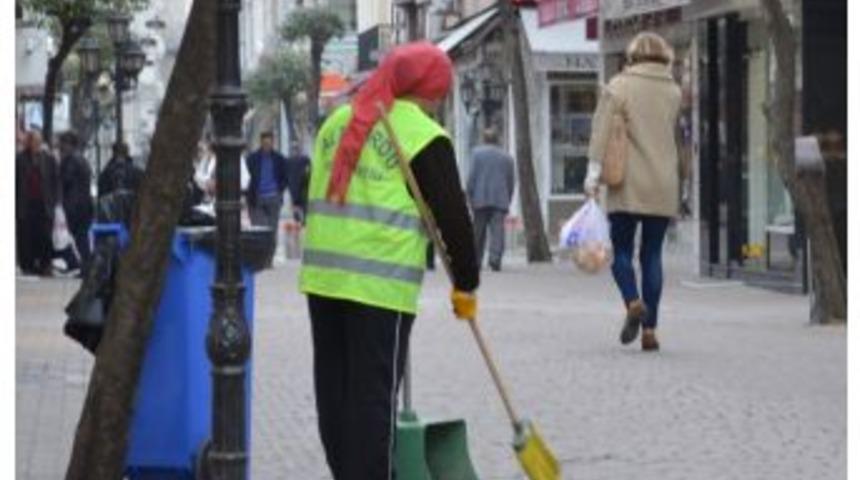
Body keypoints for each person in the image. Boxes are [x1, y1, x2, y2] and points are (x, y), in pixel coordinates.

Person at [299, 41, 479, 480]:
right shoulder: (420, 134)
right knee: (373, 397)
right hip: (379, 284)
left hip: (324, 281)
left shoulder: (338, 121)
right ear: (432, 90)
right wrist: (466, 282)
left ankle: (347, 473)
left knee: (336, 391)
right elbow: (452, 217)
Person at [584, 32, 685, 352]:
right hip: (663, 183)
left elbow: (601, 131)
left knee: (622, 252)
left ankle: (632, 302)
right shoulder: (674, 92)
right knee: (652, 255)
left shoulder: (619, 87)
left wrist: (592, 173)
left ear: (633, 56)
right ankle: (650, 331)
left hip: (626, 182)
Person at [466, 126, 516, 271]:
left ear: (484, 140)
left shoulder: (476, 154)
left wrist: (469, 196)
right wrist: (508, 198)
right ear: (497, 140)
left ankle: (476, 260)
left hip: (479, 199)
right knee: (498, 232)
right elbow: (510, 181)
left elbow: (472, 178)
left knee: (478, 233)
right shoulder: (507, 158)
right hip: (500, 200)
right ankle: (495, 259)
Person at [16, 130, 59, 276]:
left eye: (38, 141)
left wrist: (56, 202)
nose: (36, 144)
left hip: (44, 203)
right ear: (28, 142)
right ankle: (28, 265)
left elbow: (55, 181)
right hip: (26, 204)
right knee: (27, 236)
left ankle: (45, 264)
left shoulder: (49, 159)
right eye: (33, 141)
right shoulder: (20, 159)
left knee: (45, 236)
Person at [244, 131, 289, 265]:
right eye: (264, 143)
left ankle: (268, 259)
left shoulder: (279, 159)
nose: (267, 146)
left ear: (273, 142)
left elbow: (285, 177)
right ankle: (260, 259)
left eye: (269, 143)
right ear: (261, 142)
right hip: (256, 198)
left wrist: (279, 190)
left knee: (272, 230)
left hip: (273, 197)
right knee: (258, 229)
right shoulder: (252, 159)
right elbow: (246, 178)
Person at [58, 131, 94, 272]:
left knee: (76, 238)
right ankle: (84, 266)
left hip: (75, 207)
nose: (60, 146)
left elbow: (66, 180)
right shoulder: (82, 160)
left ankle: (83, 266)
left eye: (62, 143)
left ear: (69, 144)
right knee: (81, 238)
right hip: (84, 205)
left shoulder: (70, 160)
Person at [284, 140, 311, 223]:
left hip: (300, 185)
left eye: (296, 148)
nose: (295, 150)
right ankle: (301, 219)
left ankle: (301, 219)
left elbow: (310, 170)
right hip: (298, 185)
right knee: (299, 203)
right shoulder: (303, 159)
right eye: (294, 148)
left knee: (299, 203)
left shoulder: (302, 159)